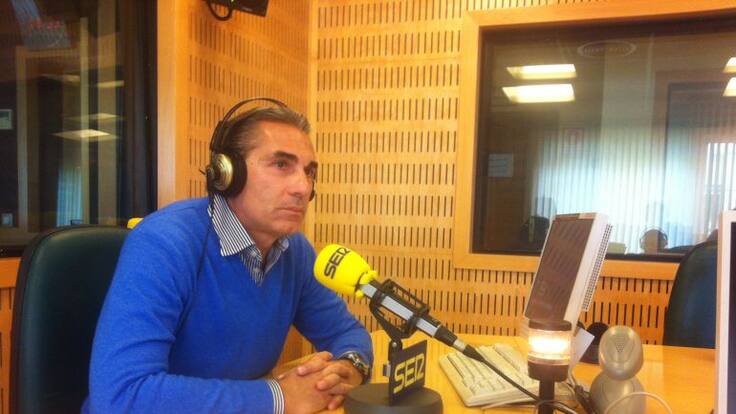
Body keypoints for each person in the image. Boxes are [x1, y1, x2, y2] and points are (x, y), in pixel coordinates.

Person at [83, 101, 373, 414]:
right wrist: (280, 397)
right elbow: (121, 396)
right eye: (281, 165)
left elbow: (347, 333)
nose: (303, 187)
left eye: (309, 172)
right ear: (227, 173)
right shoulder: (164, 243)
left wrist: (349, 367)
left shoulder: (294, 250)